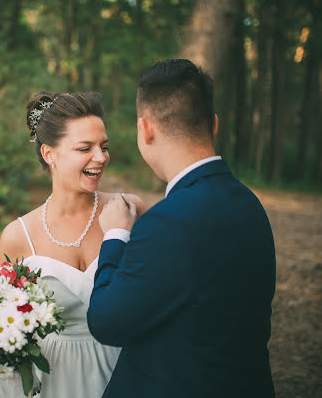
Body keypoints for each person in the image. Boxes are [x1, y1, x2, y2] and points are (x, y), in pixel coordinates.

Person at [87, 59, 276, 397]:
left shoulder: (168, 223)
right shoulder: (250, 206)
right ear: (214, 125)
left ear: (146, 129)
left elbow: (107, 322)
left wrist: (116, 235)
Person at [0, 91, 147, 398]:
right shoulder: (17, 235)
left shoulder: (131, 211)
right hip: (53, 379)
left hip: (125, 372)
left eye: (104, 147)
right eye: (84, 148)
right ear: (50, 154)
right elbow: (6, 328)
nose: (101, 157)